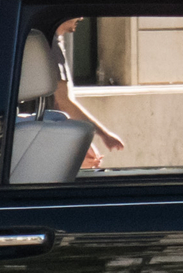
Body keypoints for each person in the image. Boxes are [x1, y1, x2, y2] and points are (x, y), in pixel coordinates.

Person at [50, 18, 127, 166]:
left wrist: (80, 141)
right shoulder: (51, 46)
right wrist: (104, 134)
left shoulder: (53, 44)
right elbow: (63, 102)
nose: (81, 18)